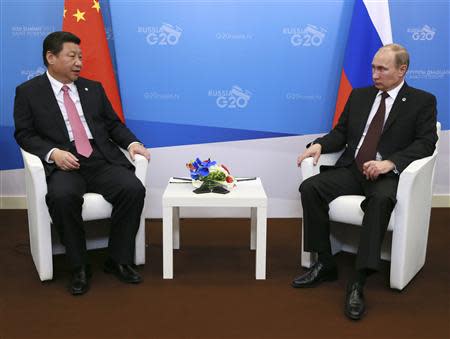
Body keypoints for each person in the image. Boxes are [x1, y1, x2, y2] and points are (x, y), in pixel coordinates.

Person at [293, 44, 437, 320]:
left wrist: (390, 162)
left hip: (385, 174)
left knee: (381, 200)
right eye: (373, 67)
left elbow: (426, 143)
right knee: (310, 188)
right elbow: (342, 132)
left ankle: (358, 280)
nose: (375, 73)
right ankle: (324, 263)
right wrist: (320, 145)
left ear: (402, 70)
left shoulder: (422, 101)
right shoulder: (360, 96)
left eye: (382, 68)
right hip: (352, 169)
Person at [14, 31, 151, 296]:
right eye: (72, 56)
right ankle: (79, 266)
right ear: (51, 57)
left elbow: (112, 125)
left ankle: (118, 260)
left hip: (99, 158)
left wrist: (133, 144)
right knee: (62, 197)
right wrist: (53, 153)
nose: (79, 62)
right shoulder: (28, 92)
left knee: (132, 189)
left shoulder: (93, 89)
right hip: (65, 162)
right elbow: (24, 134)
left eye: (80, 56)